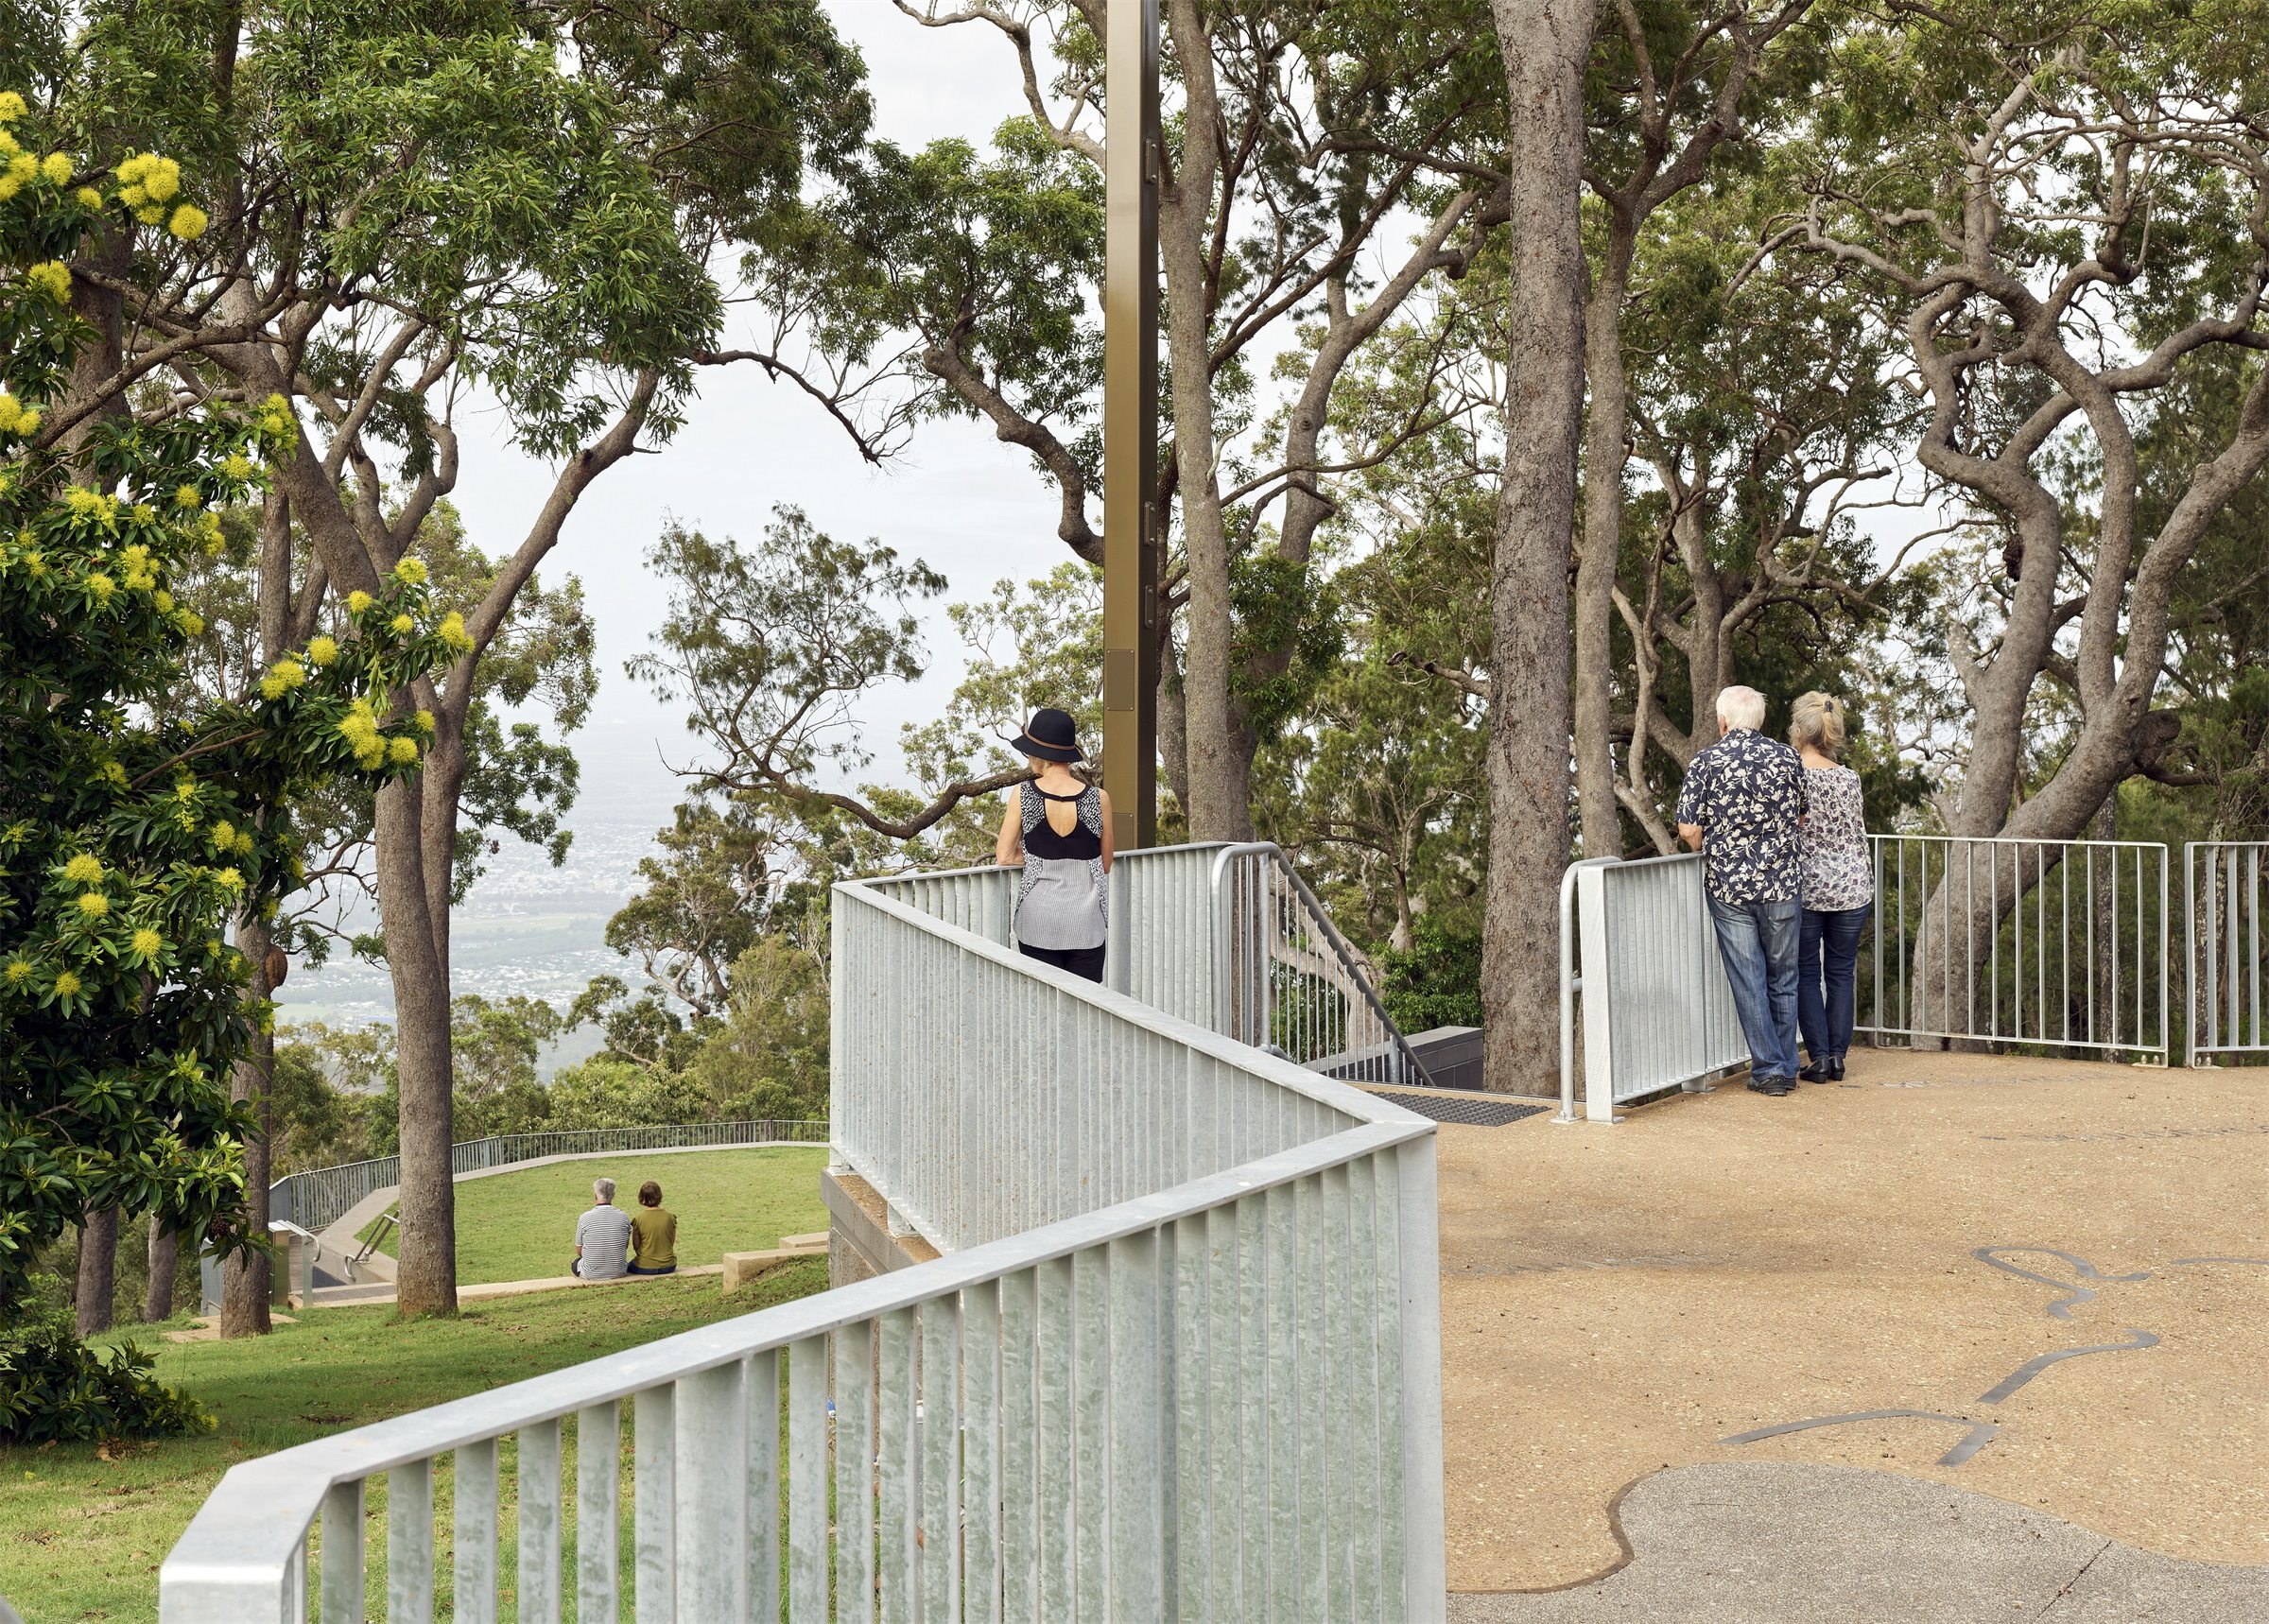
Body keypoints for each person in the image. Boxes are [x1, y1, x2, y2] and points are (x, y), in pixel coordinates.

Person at [1676, 685, 1810, 1097]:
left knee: (1749, 979)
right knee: (1784, 978)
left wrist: (1708, 845)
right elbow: (1802, 816)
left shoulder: (1706, 762)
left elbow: (1688, 829)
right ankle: (1785, 1066)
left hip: (1729, 888)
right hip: (1783, 884)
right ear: (1761, 720)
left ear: (1722, 722)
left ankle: (1770, 1069)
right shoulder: (1788, 757)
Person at [995, 706, 1115, 982]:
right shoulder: (1099, 799)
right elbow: (1105, 863)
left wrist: (1038, 859)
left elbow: (1004, 855)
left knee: (1040, 1010)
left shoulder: (1023, 794)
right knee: (1086, 1011)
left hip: (1038, 922)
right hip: (1086, 925)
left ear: (1038, 756)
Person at [1790, 692, 1873, 1081]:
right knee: (1841, 972)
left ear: (1798, 731)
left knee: (1807, 972)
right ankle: (1838, 1057)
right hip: (1853, 886)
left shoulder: (1792, 774)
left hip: (1808, 887)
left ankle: (1819, 1057)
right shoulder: (1849, 778)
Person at [571, 1177, 632, 1280]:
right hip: (619, 1271)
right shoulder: (623, 1217)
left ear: (595, 1195)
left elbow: (578, 1249)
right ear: (613, 1195)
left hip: (590, 1273)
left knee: (575, 1264)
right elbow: (624, 1245)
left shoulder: (585, 1217)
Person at [628, 1180, 677, 1275]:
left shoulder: (638, 1219)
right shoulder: (670, 1217)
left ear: (641, 1198)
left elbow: (636, 1245)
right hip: (668, 1266)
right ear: (659, 1196)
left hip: (644, 1267)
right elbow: (671, 1242)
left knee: (628, 1266)